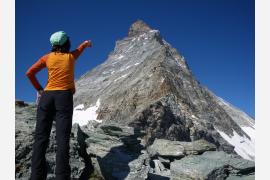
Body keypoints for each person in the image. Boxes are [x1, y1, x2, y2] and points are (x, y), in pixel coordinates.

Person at [26, 31, 92, 180]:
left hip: (47, 97)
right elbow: (79, 50)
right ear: (65, 43)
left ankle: (36, 176)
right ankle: (62, 177)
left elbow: (29, 73)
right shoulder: (70, 57)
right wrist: (86, 44)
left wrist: (39, 89)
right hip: (63, 97)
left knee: (40, 138)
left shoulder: (47, 58)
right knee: (62, 140)